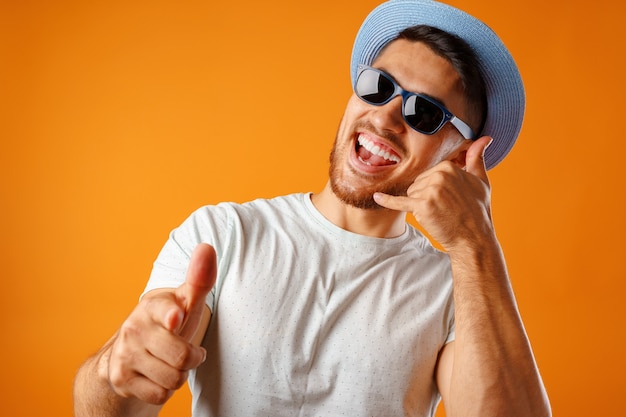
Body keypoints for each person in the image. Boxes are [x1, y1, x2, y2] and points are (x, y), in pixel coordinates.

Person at [73, 0, 551, 416]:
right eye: (377, 86)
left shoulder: (456, 291)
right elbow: (107, 410)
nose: (383, 116)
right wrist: (118, 368)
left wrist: (475, 243)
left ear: (459, 157)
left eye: (422, 113)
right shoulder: (221, 236)